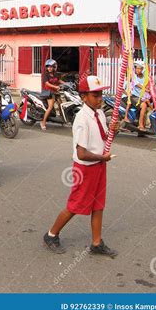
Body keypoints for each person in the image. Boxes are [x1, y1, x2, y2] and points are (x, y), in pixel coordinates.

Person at [43, 75, 119, 257]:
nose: (100, 98)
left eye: (100, 94)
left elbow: (105, 139)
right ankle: (51, 234)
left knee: (98, 204)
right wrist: (102, 157)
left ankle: (96, 242)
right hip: (86, 168)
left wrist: (114, 131)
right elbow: (81, 153)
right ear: (84, 97)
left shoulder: (99, 113)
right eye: (95, 95)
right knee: (76, 205)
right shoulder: (82, 119)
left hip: (100, 165)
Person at [124, 60, 151, 131]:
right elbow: (139, 85)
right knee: (144, 105)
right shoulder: (134, 77)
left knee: (148, 107)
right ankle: (140, 124)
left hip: (142, 97)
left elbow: (149, 85)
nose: (138, 70)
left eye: (140, 68)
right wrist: (146, 89)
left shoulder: (146, 78)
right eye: (137, 68)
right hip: (134, 96)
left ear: (143, 69)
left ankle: (141, 129)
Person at [40, 58, 64, 131]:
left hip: (56, 92)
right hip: (49, 93)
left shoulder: (56, 74)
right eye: (48, 67)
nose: (49, 68)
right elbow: (47, 83)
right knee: (50, 107)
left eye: (51, 67)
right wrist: (55, 86)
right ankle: (43, 122)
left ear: (54, 67)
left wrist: (67, 83)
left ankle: (62, 119)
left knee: (61, 105)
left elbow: (59, 80)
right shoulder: (45, 75)